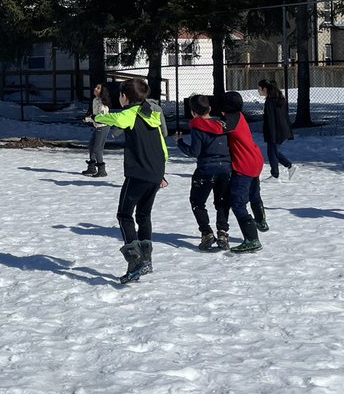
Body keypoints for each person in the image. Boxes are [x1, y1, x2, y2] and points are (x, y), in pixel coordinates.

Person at [91, 77, 168, 283]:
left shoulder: (130, 113)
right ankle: (147, 259)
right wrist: (160, 171)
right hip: (154, 172)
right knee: (143, 215)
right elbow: (162, 145)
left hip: (138, 173)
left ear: (125, 97)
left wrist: (96, 116)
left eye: (120, 95)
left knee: (124, 215)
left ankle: (136, 261)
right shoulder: (150, 113)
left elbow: (117, 119)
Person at [175, 94, 232, 250]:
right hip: (225, 168)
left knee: (197, 202)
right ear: (210, 108)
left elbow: (195, 151)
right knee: (222, 202)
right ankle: (222, 232)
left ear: (193, 112)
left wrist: (180, 142)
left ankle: (206, 232)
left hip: (206, 170)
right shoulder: (222, 124)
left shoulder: (198, 127)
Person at [217, 92, 267, 253]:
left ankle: (252, 239)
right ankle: (260, 220)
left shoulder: (231, 119)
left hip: (244, 164)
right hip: (254, 160)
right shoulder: (238, 116)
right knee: (254, 194)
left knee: (238, 203)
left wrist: (198, 121)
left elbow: (217, 128)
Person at [258, 78, 296, 180]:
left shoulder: (270, 101)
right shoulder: (278, 98)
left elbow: (271, 119)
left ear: (265, 89)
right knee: (274, 152)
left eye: (259, 88)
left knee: (272, 153)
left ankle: (275, 175)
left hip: (276, 131)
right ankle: (290, 166)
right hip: (282, 130)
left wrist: (271, 134)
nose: (258, 91)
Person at [81, 83, 111, 177]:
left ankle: (102, 170)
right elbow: (94, 115)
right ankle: (92, 167)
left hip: (103, 126)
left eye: (98, 88)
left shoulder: (103, 104)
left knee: (98, 149)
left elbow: (100, 118)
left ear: (102, 91)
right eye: (96, 87)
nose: (95, 89)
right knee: (91, 146)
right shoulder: (95, 100)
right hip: (97, 126)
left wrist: (88, 119)